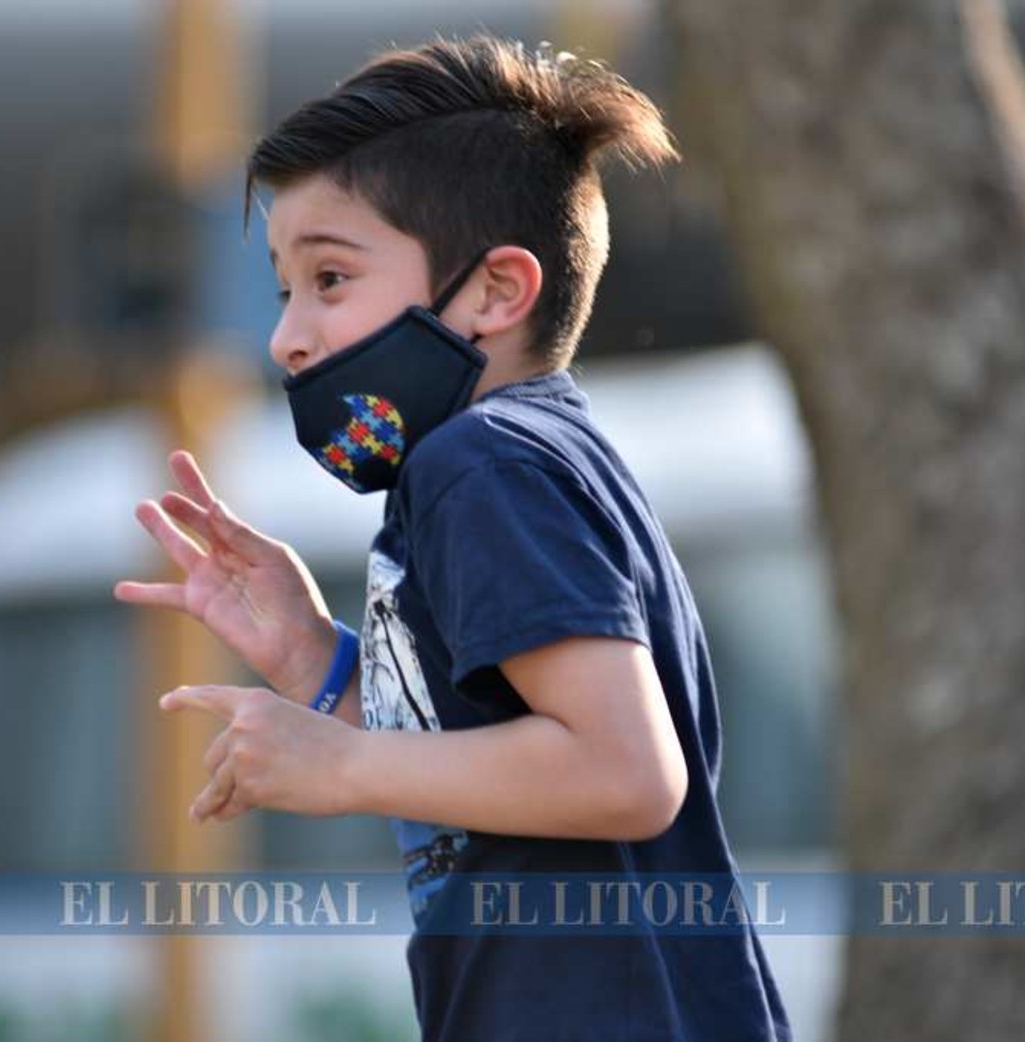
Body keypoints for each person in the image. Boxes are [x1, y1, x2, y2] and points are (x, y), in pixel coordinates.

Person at [115, 35, 792, 1042]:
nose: (286, 337)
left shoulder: (479, 465)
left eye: (330, 278)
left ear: (494, 292)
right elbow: (489, 760)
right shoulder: (516, 455)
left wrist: (336, 766)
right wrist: (316, 659)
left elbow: (622, 773)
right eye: (283, 288)